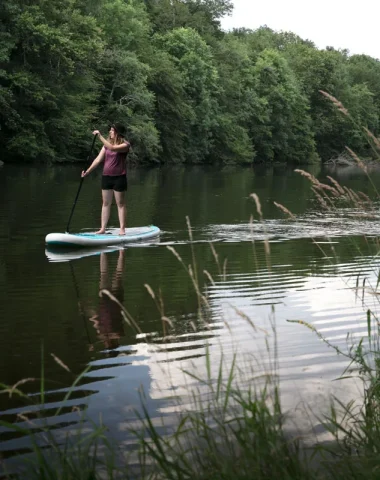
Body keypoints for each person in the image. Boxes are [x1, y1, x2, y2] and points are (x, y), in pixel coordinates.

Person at [82, 123, 130, 235]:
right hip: (106, 177)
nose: (110, 132)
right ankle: (102, 228)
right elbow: (98, 160)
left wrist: (99, 136)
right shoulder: (106, 146)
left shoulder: (125, 145)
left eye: (112, 130)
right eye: (110, 130)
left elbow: (113, 148)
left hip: (119, 177)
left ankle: (122, 229)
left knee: (120, 204)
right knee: (105, 203)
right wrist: (87, 172)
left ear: (118, 133)